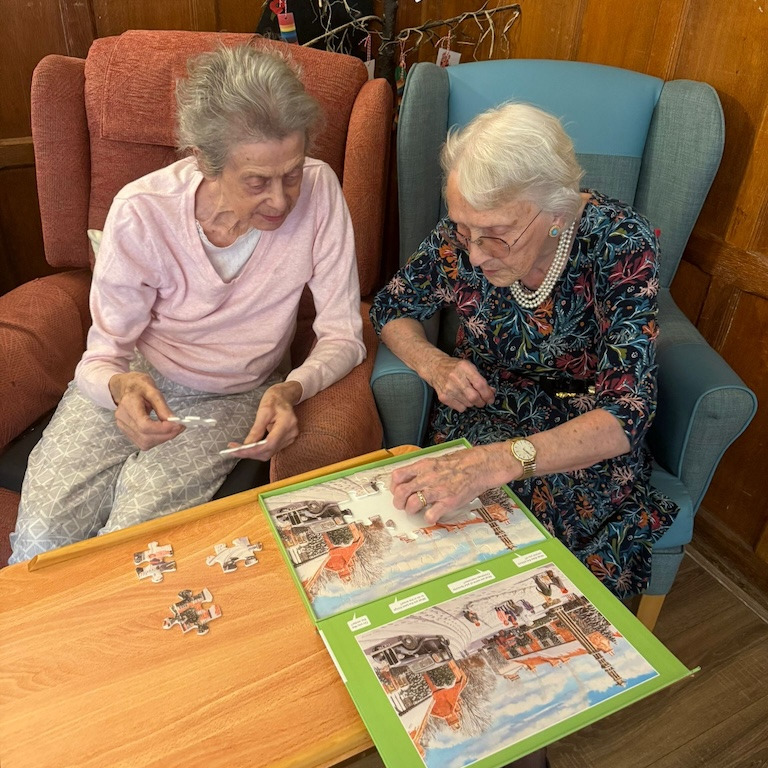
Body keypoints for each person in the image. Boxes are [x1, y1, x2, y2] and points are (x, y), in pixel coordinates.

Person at [9, 44, 365, 564]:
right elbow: (102, 355)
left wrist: (293, 388)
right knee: (40, 539)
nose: (281, 200)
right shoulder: (142, 211)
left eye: (291, 174)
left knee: (132, 545)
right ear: (205, 161)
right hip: (138, 376)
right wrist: (119, 388)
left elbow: (344, 336)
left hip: (236, 391)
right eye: (256, 181)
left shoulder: (321, 192)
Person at [370, 102, 678, 602]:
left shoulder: (620, 242)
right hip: (486, 408)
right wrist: (435, 363)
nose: (474, 255)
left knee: (537, 579)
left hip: (580, 429)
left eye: (496, 236)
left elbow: (627, 413)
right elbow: (391, 307)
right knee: (437, 539)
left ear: (557, 212)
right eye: (465, 230)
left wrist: (497, 463)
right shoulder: (464, 233)